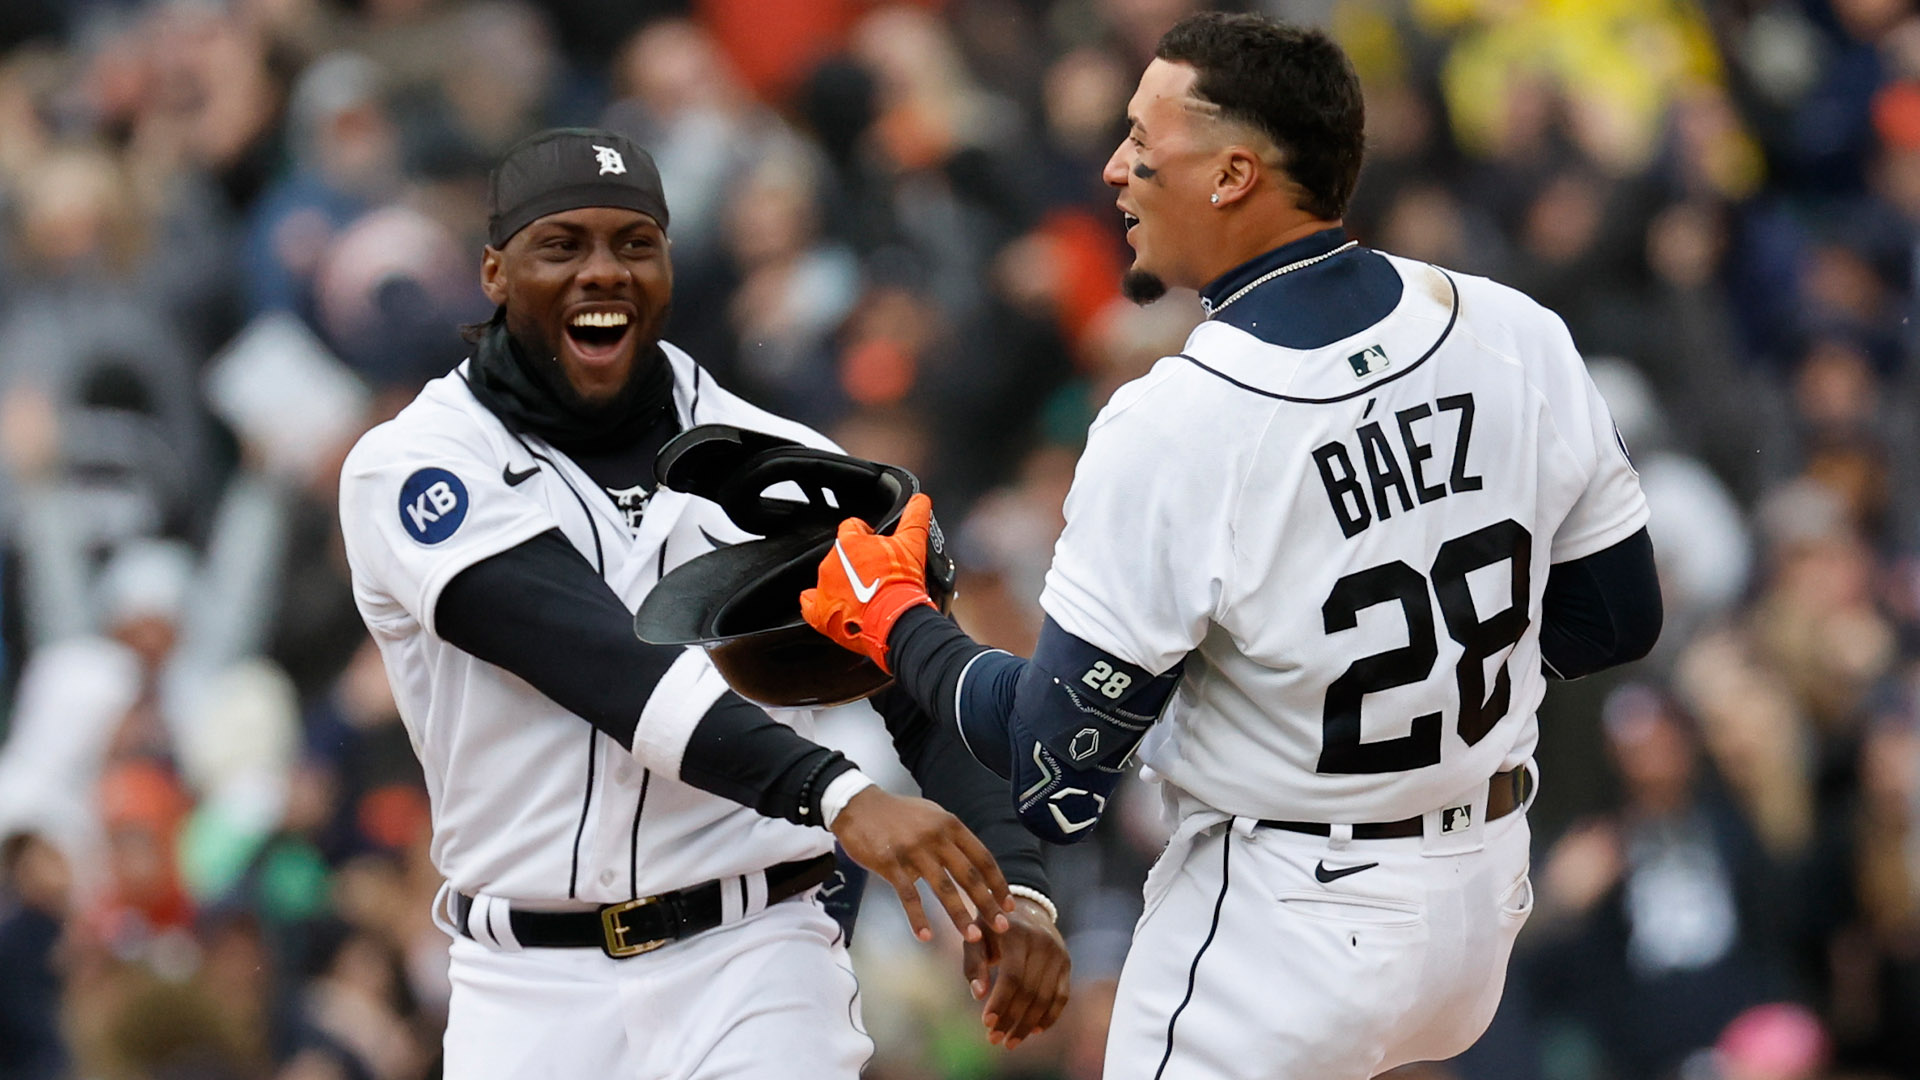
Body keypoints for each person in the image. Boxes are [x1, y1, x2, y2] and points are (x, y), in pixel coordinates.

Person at [799, 13, 1662, 1080]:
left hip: (1287, 920)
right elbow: (1618, 618)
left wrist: (898, 626)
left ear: (1233, 175)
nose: (1114, 167)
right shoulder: (1510, 326)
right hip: (1480, 895)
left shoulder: (1180, 420)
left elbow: (1054, 772)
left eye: (1141, 141)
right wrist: (1403, 704)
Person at [337, 128, 1069, 1080]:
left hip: (754, 958)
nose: (603, 271)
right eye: (563, 245)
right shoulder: (415, 465)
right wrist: (837, 793)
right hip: (527, 989)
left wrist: (1016, 892)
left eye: (634, 244)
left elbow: (921, 682)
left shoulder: (778, 459)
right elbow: (594, 656)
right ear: (493, 271)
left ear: (669, 266)